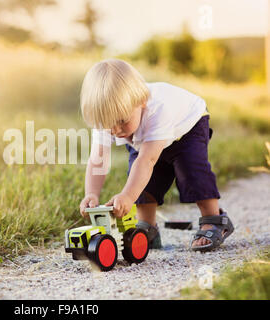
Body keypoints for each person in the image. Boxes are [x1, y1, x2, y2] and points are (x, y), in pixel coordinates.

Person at [79, 59, 234, 252]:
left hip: (187, 127)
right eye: (108, 124)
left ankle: (214, 220)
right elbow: (98, 159)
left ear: (141, 102)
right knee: (141, 178)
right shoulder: (107, 119)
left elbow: (147, 160)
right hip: (147, 138)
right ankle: (147, 227)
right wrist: (91, 193)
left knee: (191, 169)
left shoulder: (158, 109)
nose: (116, 130)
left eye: (122, 121)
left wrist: (127, 196)